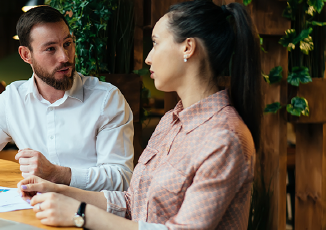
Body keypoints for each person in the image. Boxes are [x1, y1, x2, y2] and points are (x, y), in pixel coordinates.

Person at [17, 1, 260, 229]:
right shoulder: (172, 120)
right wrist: (57, 191)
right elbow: (133, 203)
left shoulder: (224, 139)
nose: (148, 57)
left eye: (155, 43)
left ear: (188, 47)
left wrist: (80, 213)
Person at [0, 6, 135, 192]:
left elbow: (121, 178)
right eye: (51, 49)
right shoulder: (12, 100)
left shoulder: (106, 99)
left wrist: (59, 174)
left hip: (89, 215)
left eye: (67, 44)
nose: (65, 57)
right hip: (33, 210)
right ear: (26, 55)